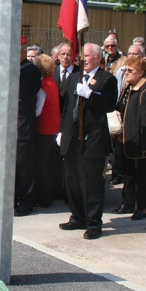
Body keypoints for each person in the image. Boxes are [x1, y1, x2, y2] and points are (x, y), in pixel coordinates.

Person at [58, 43, 117, 240]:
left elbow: (109, 105)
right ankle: (78, 216)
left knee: (92, 182)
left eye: (88, 56)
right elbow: (66, 107)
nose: (84, 60)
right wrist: (62, 131)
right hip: (72, 137)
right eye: (83, 56)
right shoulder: (75, 77)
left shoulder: (107, 79)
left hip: (93, 138)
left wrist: (91, 94)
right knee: (72, 180)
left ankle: (94, 223)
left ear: (98, 59)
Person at [112, 56, 146, 219]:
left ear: (141, 73)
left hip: (141, 145)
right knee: (128, 174)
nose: (126, 74)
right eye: (125, 70)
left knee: (142, 177)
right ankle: (127, 203)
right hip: (127, 141)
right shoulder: (129, 87)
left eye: (130, 71)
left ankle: (142, 207)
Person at [14, 36, 41, 216]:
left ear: (23, 51)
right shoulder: (8, 67)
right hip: (8, 127)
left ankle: (25, 201)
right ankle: (12, 198)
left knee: (24, 168)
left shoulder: (30, 70)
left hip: (23, 125)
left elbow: (25, 94)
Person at [32, 54, 61, 208]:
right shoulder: (52, 83)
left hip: (45, 129)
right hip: (53, 128)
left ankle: (44, 197)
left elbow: (37, 111)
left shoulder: (43, 86)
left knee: (40, 165)